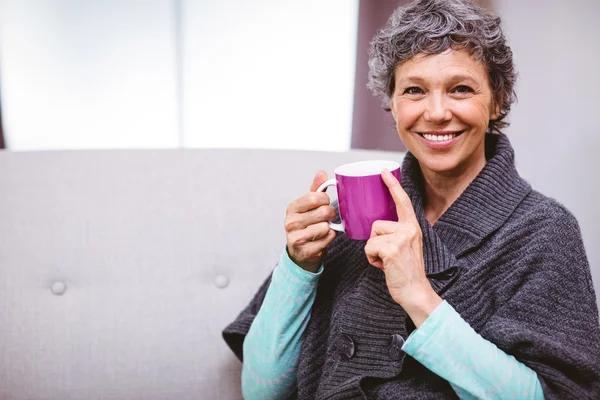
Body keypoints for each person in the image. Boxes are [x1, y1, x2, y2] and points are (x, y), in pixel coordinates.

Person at [223, 0, 600, 398]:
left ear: (498, 100)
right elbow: (260, 391)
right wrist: (298, 267)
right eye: (415, 90)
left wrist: (418, 295)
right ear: (392, 102)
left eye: (461, 89)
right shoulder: (350, 212)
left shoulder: (542, 231)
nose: (436, 112)